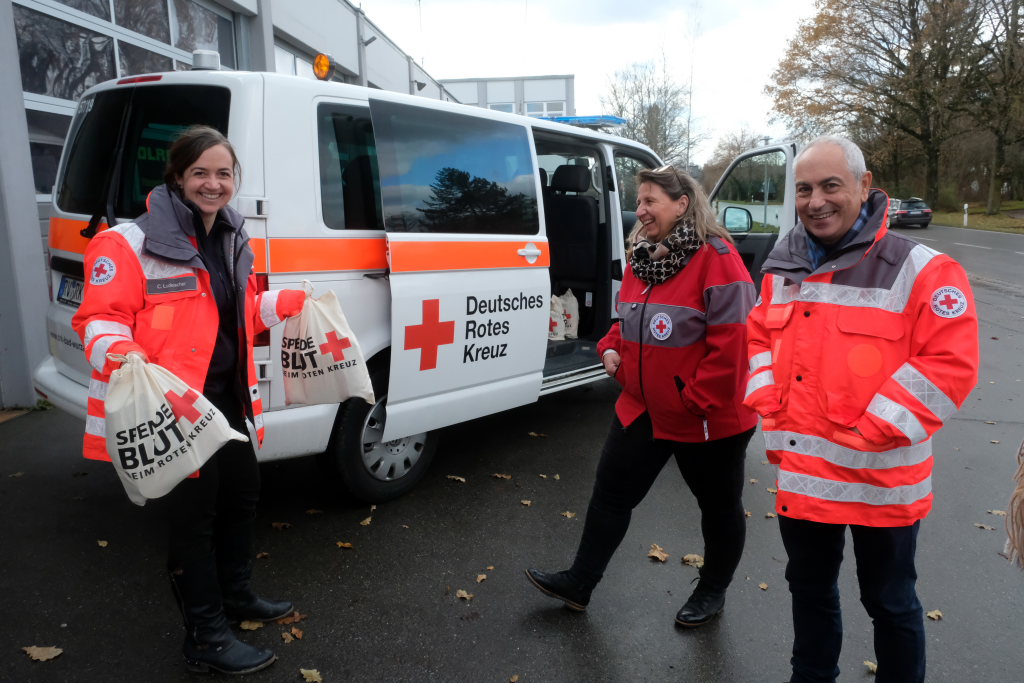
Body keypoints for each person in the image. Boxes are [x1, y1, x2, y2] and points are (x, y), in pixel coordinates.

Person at [744, 136, 979, 683]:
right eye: (805, 189)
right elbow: (758, 338)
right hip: (805, 476)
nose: (816, 201)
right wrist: (768, 402)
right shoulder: (782, 267)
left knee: (891, 603)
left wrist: (870, 430)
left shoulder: (923, 269)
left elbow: (950, 364)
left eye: (831, 186)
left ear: (865, 185)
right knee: (809, 592)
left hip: (882, 479)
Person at [73, 126, 307, 675]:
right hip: (175, 409)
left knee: (242, 497)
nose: (213, 183)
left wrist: (282, 304)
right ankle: (205, 636)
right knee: (194, 519)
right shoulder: (126, 243)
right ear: (177, 177)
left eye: (223, 173)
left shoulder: (233, 237)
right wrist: (122, 352)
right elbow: (99, 319)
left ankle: (236, 596)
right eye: (200, 172)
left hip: (228, 399)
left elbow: (232, 315)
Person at [526, 165, 758, 627]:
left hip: (705, 417)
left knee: (718, 510)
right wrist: (611, 347)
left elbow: (735, 343)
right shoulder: (644, 258)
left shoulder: (718, 259)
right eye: (640, 201)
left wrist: (693, 400)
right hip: (642, 407)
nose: (641, 210)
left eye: (651, 201)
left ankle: (712, 591)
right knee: (610, 496)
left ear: (682, 204)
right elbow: (626, 320)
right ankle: (580, 583)